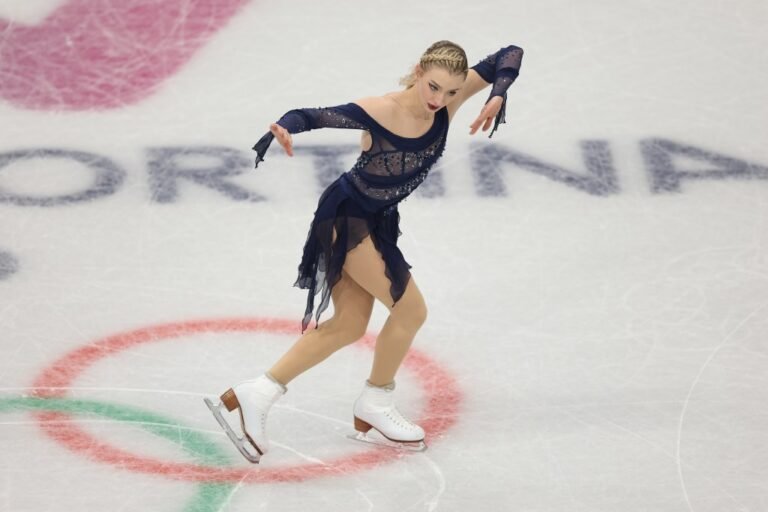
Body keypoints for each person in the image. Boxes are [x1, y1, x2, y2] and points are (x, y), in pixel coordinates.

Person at [205, 40, 524, 462]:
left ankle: (256, 393)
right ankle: (375, 402)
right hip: (346, 218)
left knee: (349, 325)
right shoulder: (382, 110)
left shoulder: (450, 99)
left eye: (450, 91)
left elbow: (510, 54)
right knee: (411, 311)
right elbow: (311, 115)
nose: (439, 100)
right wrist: (282, 127)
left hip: (377, 221)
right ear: (418, 71)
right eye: (433, 87)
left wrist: (497, 92)